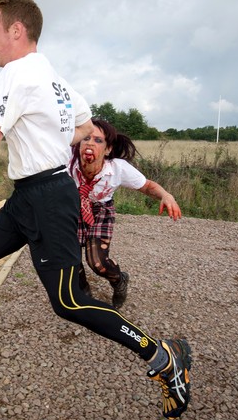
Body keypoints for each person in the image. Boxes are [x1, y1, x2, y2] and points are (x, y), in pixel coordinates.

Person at [0, 0, 192, 420]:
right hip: (31, 194)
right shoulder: (55, 79)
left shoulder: (16, 73)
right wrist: (49, 143)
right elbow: (87, 128)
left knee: (69, 302)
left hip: (47, 196)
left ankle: (163, 357)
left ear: (16, 30)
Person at [70, 118, 182, 308]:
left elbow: (146, 186)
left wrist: (166, 195)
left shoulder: (117, 168)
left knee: (98, 263)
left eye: (98, 140)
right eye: (86, 138)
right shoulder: (65, 162)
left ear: (108, 149)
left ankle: (119, 280)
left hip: (100, 210)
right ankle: (83, 291)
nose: (90, 143)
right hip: (71, 207)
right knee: (68, 258)